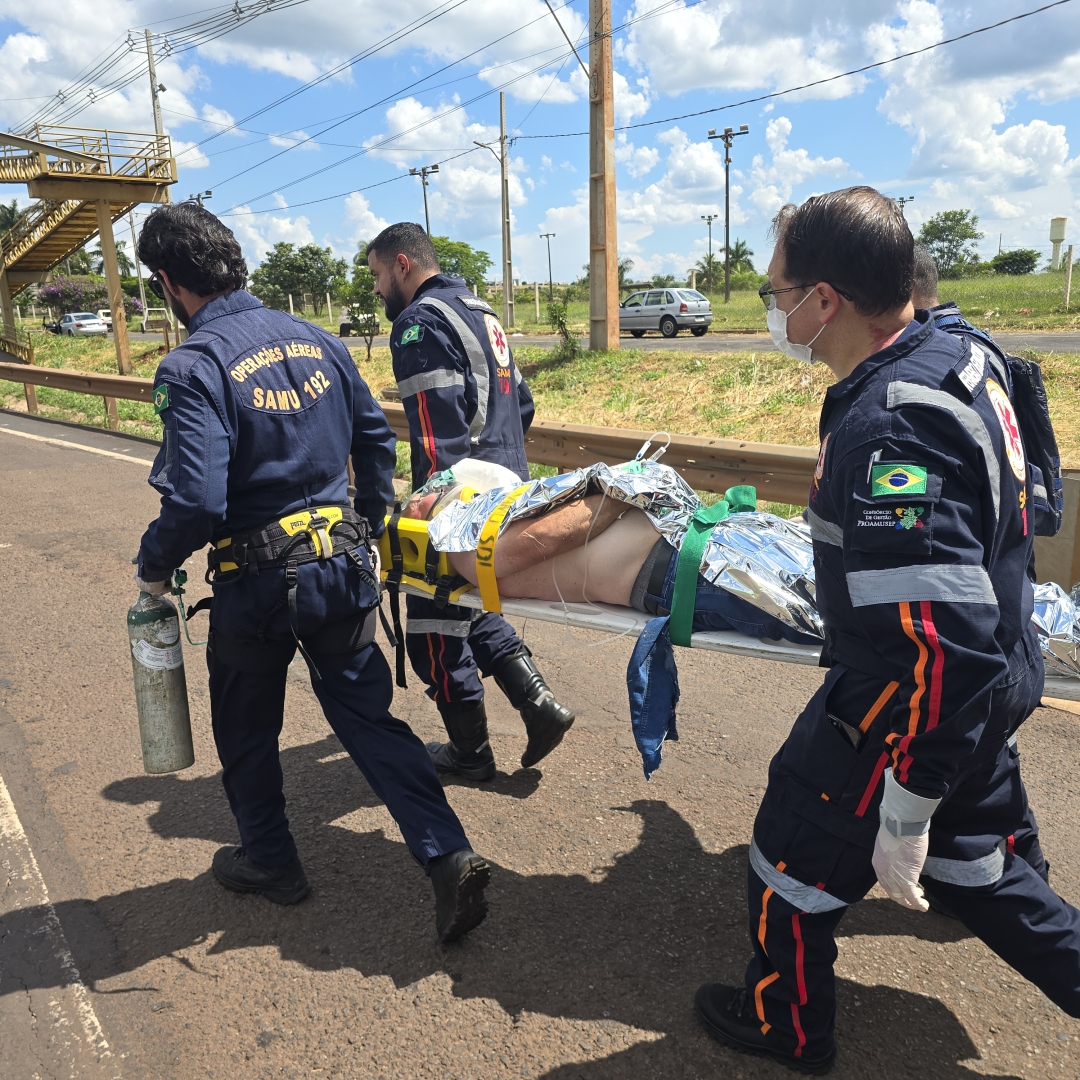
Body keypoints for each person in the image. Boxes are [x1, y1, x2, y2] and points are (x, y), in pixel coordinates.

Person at [690, 187, 1080, 1075]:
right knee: (976, 868)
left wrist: (908, 794)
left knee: (786, 858)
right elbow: (1037, 490)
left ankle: (785, 1025)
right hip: (999, 671)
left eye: (775, 289)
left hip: (910, 699)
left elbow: (939, 642)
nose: (772, 307)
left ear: (823, 299)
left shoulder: (891, 425)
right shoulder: (965, 351)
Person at [133, 202, 489, 944]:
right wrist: (363, 521)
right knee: (370, 720)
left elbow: (196, 499)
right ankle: (447, 853)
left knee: (246, 727)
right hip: (340, 568)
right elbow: (374, 440)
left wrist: (153, 564)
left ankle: (272, 861)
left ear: (168, 282)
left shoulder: (193, 367)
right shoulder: (318, 340)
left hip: (257, 586)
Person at [367, 223, 575, 783]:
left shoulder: (418, 325)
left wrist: (431, 505)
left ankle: (471, 753)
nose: (377, 289)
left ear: (403, 264)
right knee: (472, 605)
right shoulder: (481, 311)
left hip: (461, 499)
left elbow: (436, 434)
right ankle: (540, 707)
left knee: (433, 624)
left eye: (377, 275)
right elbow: (522, 405)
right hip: (509, 487)